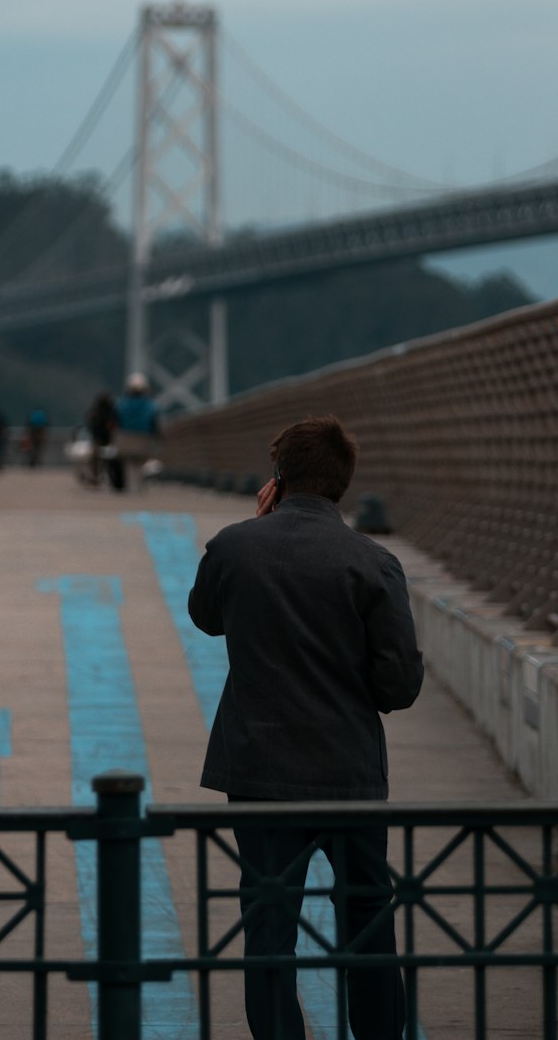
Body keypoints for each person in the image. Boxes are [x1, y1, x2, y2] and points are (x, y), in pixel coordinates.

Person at [187, 415, 424, 1040]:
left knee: (269, 924)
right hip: (349, 772)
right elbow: (400, 686)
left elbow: (206, 617)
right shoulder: (375, 564)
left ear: (278, 478)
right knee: (369, 917)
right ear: (343, 483)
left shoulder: (234, 546)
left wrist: (258, 530)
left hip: (261, 771)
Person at [113, 372, 160, 493]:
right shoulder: (151, 405)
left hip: (125, 438)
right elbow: (154, 423)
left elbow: (116, 421)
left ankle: (131, 485)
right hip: (144, 438)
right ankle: (139, 484)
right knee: (140, 462)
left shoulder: (121, 404)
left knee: (128, 463)